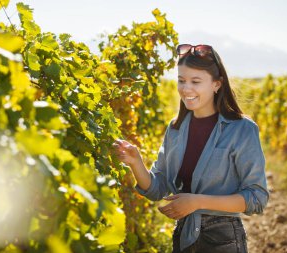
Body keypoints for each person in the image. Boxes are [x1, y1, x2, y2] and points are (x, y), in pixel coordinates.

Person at [113, 44, 269, 253]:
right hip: (184, 238)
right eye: (181, 80)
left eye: (195, 81)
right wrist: (135, 163)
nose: (186, 89)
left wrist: (196, 202)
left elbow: (256, 198)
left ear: (217, 84)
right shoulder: (176, 128)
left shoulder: (242, 129)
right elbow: (157, 187)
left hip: (223, 240)